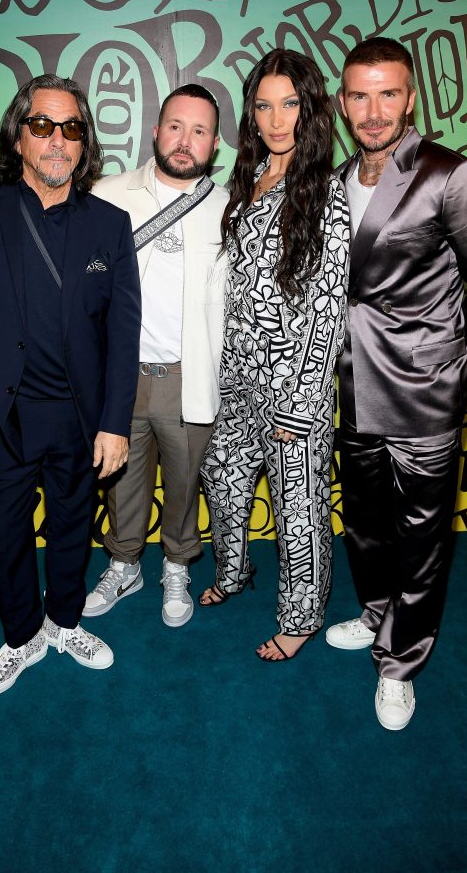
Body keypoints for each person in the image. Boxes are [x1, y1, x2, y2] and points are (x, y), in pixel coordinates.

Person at [0, 84, 229, 630]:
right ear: (154, 129)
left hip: (169, 378)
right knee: (108, 493)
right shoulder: (109, 191)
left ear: (215, 143)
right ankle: (110, 573)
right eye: (174, 125)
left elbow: (129, 318)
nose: (184, 140)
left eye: (199, 130)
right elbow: (20, 211)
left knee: (174, 488)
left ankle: (168, 570)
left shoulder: (230, 204)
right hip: (68, 389)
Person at [0, 75, 141, 698]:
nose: (57, 141)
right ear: (19, 137)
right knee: (9, 533)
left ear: (84, 143)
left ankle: (65, 621)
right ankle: (20, 638)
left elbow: (124, 335)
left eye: (71, 129)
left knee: (73, 527)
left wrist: (115, 422)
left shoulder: (110, 224)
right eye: (42, 126)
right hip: (3, 412)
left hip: (81, 416)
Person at [325, 37, 467, 730]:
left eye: (387, 93)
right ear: (341, 103)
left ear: (410, 98)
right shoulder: (334, 178)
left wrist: (452, 355)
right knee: (364, 523)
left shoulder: (449, 176)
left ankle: (400, 661)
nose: (372, 111)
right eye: (359, 95)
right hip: (349, 386)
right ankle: (375, 614)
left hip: (423, 391)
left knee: (421, 535)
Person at [199, 48, 351, 662]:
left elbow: (330, 301)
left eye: (290, 104)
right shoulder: (250, 175)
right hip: (238, 371)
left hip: (295, 383)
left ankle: (301, 616)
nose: (276, 118)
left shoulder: (325, 191)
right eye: (264, 105)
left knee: (298, 507)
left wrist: (306, 393)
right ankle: (234, 571)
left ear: (311, 109)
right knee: (222, 476)